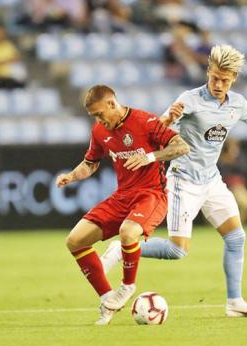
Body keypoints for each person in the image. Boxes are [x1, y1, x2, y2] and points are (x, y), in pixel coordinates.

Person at [102, 45, 247, 317]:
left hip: (211, 180)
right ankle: (121, 247)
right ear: (208, 71)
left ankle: (235, 303)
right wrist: (168, 118)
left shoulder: (238, 104)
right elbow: (155, 131)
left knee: (236, 237)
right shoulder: (190, 99)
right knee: (177, 250)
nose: (218, 84)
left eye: (225, 80)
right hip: (183, 180)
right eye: (214, 77)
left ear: (234, 79)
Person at [56, 85, 189, 325]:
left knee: (128, 232)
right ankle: (108, 300)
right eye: (94, 117)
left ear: (111, 104)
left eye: (99, 114)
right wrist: (72, 176)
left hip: (151, 194)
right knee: (75, 240)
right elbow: (91, 163)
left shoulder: (145, 121)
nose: (98, 120)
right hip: (122, 196)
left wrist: (150, 157)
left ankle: (127, 286)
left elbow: (181, 147)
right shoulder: (99, 131)